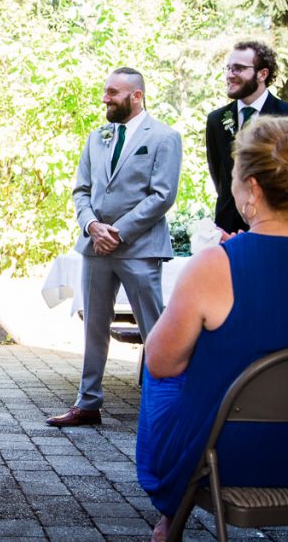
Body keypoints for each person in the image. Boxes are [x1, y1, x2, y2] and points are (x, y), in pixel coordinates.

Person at [137, 117, 288, 542]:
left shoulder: (216, 263)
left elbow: (164, 362)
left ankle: (172, 513)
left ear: (254, 189)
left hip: (233, 460)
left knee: (157, 369)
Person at [47, 68, 182, 428]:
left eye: (113, 92)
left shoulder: (165, 137)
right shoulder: (98, 136)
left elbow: (162, 195)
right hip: (95, 247)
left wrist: (118, 232)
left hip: (139, 248)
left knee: (153, 328)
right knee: (93, 327)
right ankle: (87, 403)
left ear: (136, 96)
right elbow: (81, 190)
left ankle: (164, 408)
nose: (105, 98)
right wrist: (92, 225)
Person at [206, 40, 288, 235]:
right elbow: (219, 176)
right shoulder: (216, 120)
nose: (230, 75)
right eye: (228, 68)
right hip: (229, 230)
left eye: (239, 69)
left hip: (276, 226)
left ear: (262, 74)